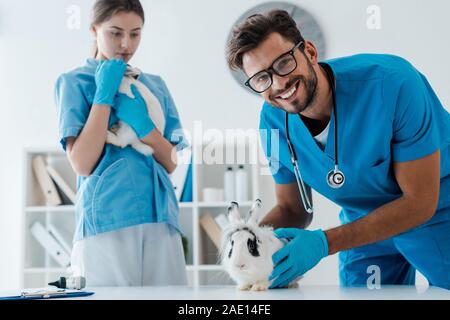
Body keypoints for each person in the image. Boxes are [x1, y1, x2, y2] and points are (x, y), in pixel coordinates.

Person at [226, 10, 450, 289]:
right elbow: (292, 208)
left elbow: (420, 202)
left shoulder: (392, 83)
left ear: (309, 51)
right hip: (363, 227)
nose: (279, 83)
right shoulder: (271, 123)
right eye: (261, 78)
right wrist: (248, 238)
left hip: (438, 210)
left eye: (283, 62)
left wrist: (324, 243)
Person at [54, 0, 188, 286]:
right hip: (106, 219)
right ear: (93, 30)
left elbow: (172, 161)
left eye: (135, 33)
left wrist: (145, 128)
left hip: (161, 216)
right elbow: (82, 163)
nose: (126, 43)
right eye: (115, 33)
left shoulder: (155, 85)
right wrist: (103, 95)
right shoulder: (74, 82)